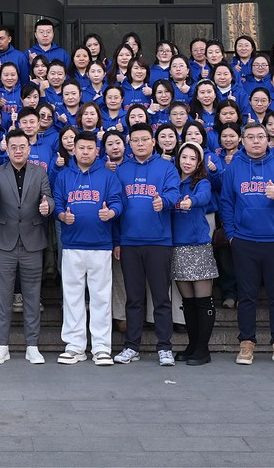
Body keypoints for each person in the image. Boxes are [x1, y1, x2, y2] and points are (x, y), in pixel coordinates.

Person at [218, 122, 274, 367]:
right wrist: (231, 234)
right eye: (250, 137)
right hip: (244, 241)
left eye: (260, 136)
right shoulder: (234, 167)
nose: (256, 141)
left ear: (268, 140)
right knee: (247, 296)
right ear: (242, 141)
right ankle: (247, 342)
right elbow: (226, 202)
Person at [0, 129, 53, 366]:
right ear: (7, 149)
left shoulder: (39, 172)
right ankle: (2, 346)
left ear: (29, 149)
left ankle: (32, 346)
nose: (18, 151)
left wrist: (48, 207)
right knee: (3, 296)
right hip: (4, 240)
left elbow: (49, 198)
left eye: (22, 146)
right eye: (14, 147)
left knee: (32, 296)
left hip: (32, 240)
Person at [113, 123, 181, 368]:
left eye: (144, 139)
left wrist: (164, 201)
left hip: (159, 242)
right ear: (129, 144)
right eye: (135, 140)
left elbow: (174, 193)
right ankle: (132, 346)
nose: (140, 144)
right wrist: (117, 241)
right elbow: (115, 204)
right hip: (129, 242)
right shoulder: (121, 170)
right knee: (133, 299)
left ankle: (164, 347)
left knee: (161, 298)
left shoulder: (166, 167)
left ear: (153, 142)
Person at [54, 134, 124, 366]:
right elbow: (57, 203)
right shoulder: (64, 176)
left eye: (90, 148)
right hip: (72, 245)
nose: (85, 152)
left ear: (97, 151)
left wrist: (111, 212)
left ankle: (102, 348)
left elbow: (118, 202)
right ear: (73, 150)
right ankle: (75, 347)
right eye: (81, 148)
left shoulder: (108, 176)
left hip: (100, 246)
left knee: (101, 298)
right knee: (72, 297)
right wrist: (62, 216)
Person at [169, 142, 218, 366]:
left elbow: (205, 197)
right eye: (184, 157)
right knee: (187, 302)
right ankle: (192, 344)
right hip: (177, 246)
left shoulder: (201, 182)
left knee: (203, 301)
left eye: (192, 158)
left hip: (198, 246)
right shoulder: (171, 182)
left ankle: (202, 348)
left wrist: (192, 201)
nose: (187, 162)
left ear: (198, 163)